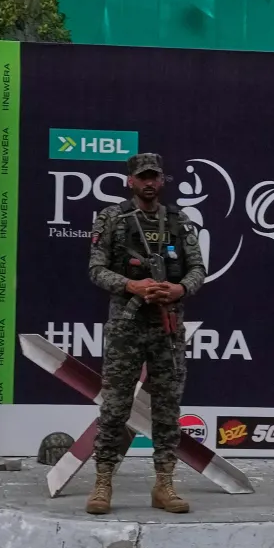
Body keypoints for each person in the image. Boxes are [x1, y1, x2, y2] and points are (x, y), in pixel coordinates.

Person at [84, 152, 207, 515]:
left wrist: (179, 289)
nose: (149, 182)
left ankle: (164, 484)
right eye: (143, 177)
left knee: (167, 408)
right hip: (127, 325)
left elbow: (197, 269)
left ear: (162, 180)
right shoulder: (112, 218)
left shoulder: (179, 221)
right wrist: (132, 286)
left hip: (167, 327)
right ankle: (103, 482)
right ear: (131, 181)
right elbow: (96, 269)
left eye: (155, 176)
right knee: (115, 406)